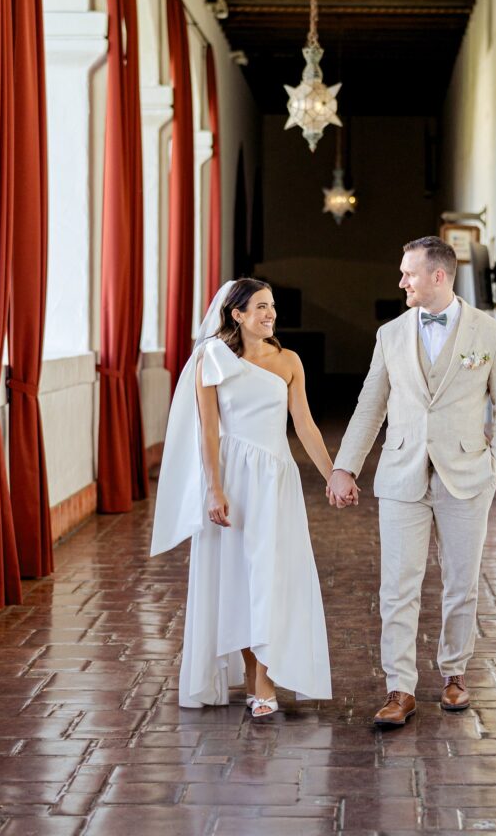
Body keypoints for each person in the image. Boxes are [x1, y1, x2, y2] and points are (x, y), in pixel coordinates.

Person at [328, 236, 496, 726]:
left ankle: (455, 674)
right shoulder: (390, 335)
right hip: (401, 475)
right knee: (397, 586)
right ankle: (399, 689)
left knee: (461, 582)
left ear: (438, 276)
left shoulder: (490, 334)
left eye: (408, 273)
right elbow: (370, 405)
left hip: (466, 476)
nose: (401, 281)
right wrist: (345, 466)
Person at [151, 278, 340, 716]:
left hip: (275, 479)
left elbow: (306, 426)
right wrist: (214, 489)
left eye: (272, 306)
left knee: (272, 577)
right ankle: (256, 679)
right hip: (232, 480)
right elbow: (209, 433)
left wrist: (332, 475)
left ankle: (265, 681)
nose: (270, 313)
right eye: (260, 306)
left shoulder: (289, 360)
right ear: (236, 314)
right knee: (234, 579)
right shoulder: (211, 359)